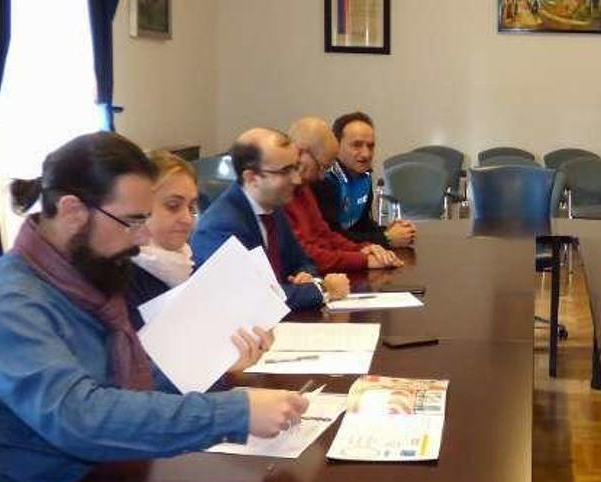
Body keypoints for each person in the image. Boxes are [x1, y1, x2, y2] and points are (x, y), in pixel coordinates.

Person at [0, 132, 310, 482]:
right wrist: (234, 411)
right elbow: (83, 417)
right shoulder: (7, 304)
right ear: (72, 211)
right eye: (132, 221)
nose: (141, 237)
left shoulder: (83, 276)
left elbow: (123, 386)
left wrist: (214, 362)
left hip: (104, 480)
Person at [126, 150, 272, 375]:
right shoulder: (124, 278)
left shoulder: (183, 264)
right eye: (173, 206)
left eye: (191, 207)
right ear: (139, 207)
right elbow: (139, 378)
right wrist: (213, 367)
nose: (187, 219)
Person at [191, 128, 350, 309]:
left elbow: (303, 260)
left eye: (296, 167)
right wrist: (322, 289)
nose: (297, 179)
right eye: (286, 171)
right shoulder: (221, 227)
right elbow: (253, 298)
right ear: (252, 178)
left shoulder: (273, 208)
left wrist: (306, 277)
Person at [284, 117, 402, 273]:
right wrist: (364, 259)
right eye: (321, 167)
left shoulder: (303, 187)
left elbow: (324, 234)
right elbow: (304, 254)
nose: (320, 176)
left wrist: (364, 249)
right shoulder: (283, 193)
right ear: (300, 153)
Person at [310, 111, 416, 248]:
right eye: (357, 145)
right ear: (336, 145)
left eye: (371, 146)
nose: (366, 154)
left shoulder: (364, 176)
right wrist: (386, 238)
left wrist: (391, 231)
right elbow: (331, 237)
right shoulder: (325, 180)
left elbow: (361, 227)